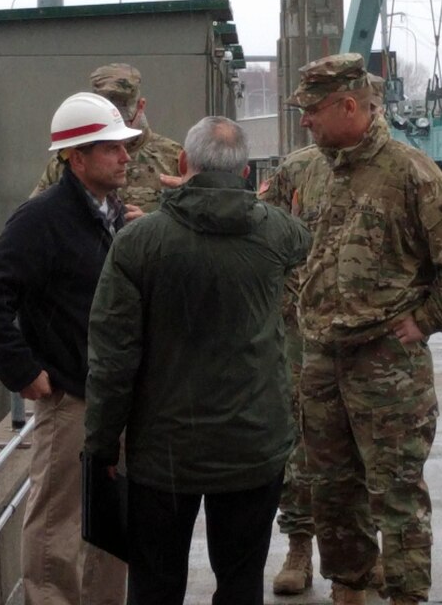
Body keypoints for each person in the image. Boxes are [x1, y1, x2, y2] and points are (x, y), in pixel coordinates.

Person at [287, 53, 442, 605]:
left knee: (396, 493)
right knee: (330, 489)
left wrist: (425, 320)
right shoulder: (316, 170)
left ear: (348, 106)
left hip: (386, 364)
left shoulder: (409, 172)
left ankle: (405, 595)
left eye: (312, 110)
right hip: (323, 359)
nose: (305, 121)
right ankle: (350, 586)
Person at [84, 116, 311, 605]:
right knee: (241, 581)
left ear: (183, 163)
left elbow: (112, 359)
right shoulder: (276, 233)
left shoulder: (138, 243)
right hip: (254, 445)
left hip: (164, 452)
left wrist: (101, 445)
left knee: (156, 583)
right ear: (246, 170)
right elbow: (302, 240)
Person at [0, 92, 140, 605]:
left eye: (125, 147)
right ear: (77, 158)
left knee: (111, 522)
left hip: (112, 397)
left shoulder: (111, 215)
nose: (127, 157)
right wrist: (24, 372)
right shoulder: (43, 218)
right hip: (70, 398)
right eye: (112, 149)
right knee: (55, 526)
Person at [261, 73, 387, 597]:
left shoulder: (396, 170)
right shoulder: (297, 169)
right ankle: (298, 546)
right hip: (301, 333)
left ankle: (366, 549)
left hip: (371, 337)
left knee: (370, 447)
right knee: (303, 445)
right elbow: (262, 234)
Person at [31, 62, 183, 212]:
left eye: (123, 120)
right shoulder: (71, 159)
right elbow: (36, 217)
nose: (117, 130)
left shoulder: (174, 157)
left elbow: (197, 226)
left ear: (141, 106)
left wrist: (147, 227)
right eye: (107, 122)